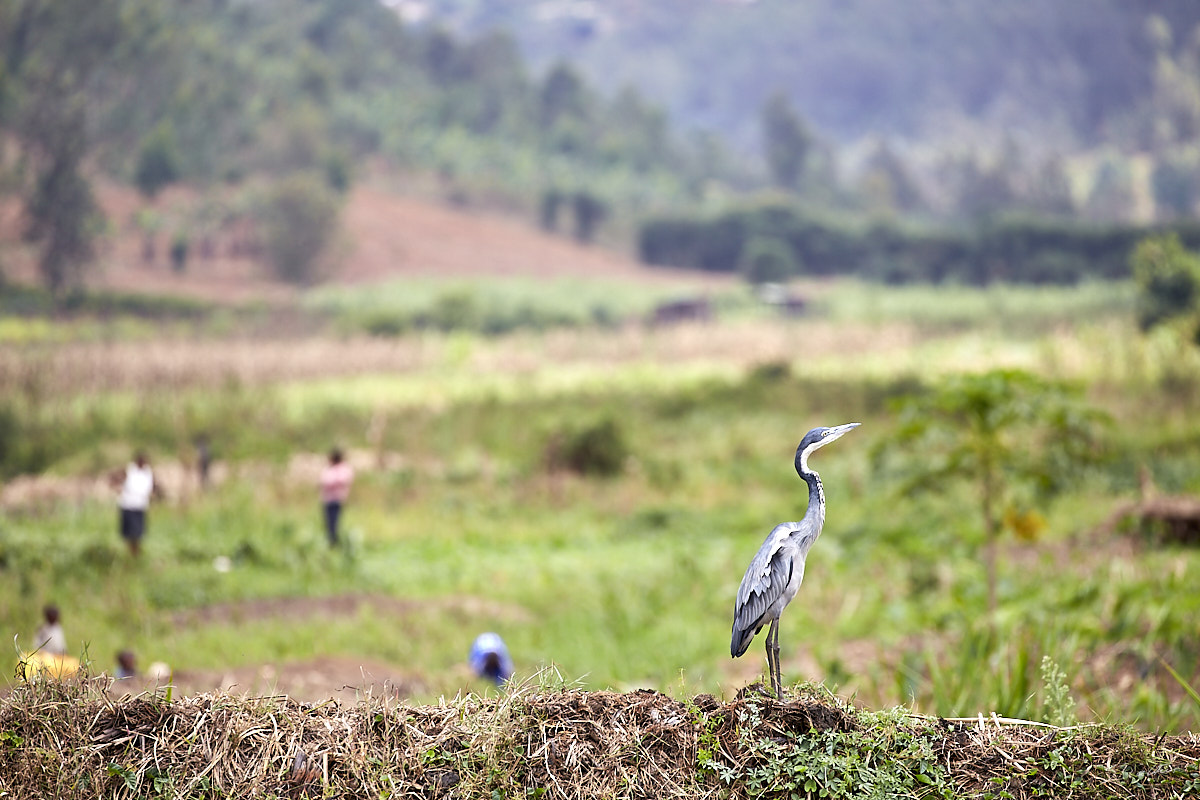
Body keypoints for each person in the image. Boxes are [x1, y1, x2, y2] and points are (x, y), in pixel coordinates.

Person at [116, 451, 155, 557]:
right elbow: (117, 480)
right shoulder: (129, 470)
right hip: (128, 505)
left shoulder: (148, 473)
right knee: (129, 534)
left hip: (139, 507)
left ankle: (135, 554)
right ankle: (130, 553)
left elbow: (151, 488)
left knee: (137, 533)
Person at [319, 448, 354, 546]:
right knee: (328, 523)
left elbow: (336, 481)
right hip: (327, 500)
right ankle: (331, 542)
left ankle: (335, 543)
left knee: (335, 523)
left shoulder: (342, 468)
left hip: (337, 500)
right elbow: (324, 481)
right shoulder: (329, 468)